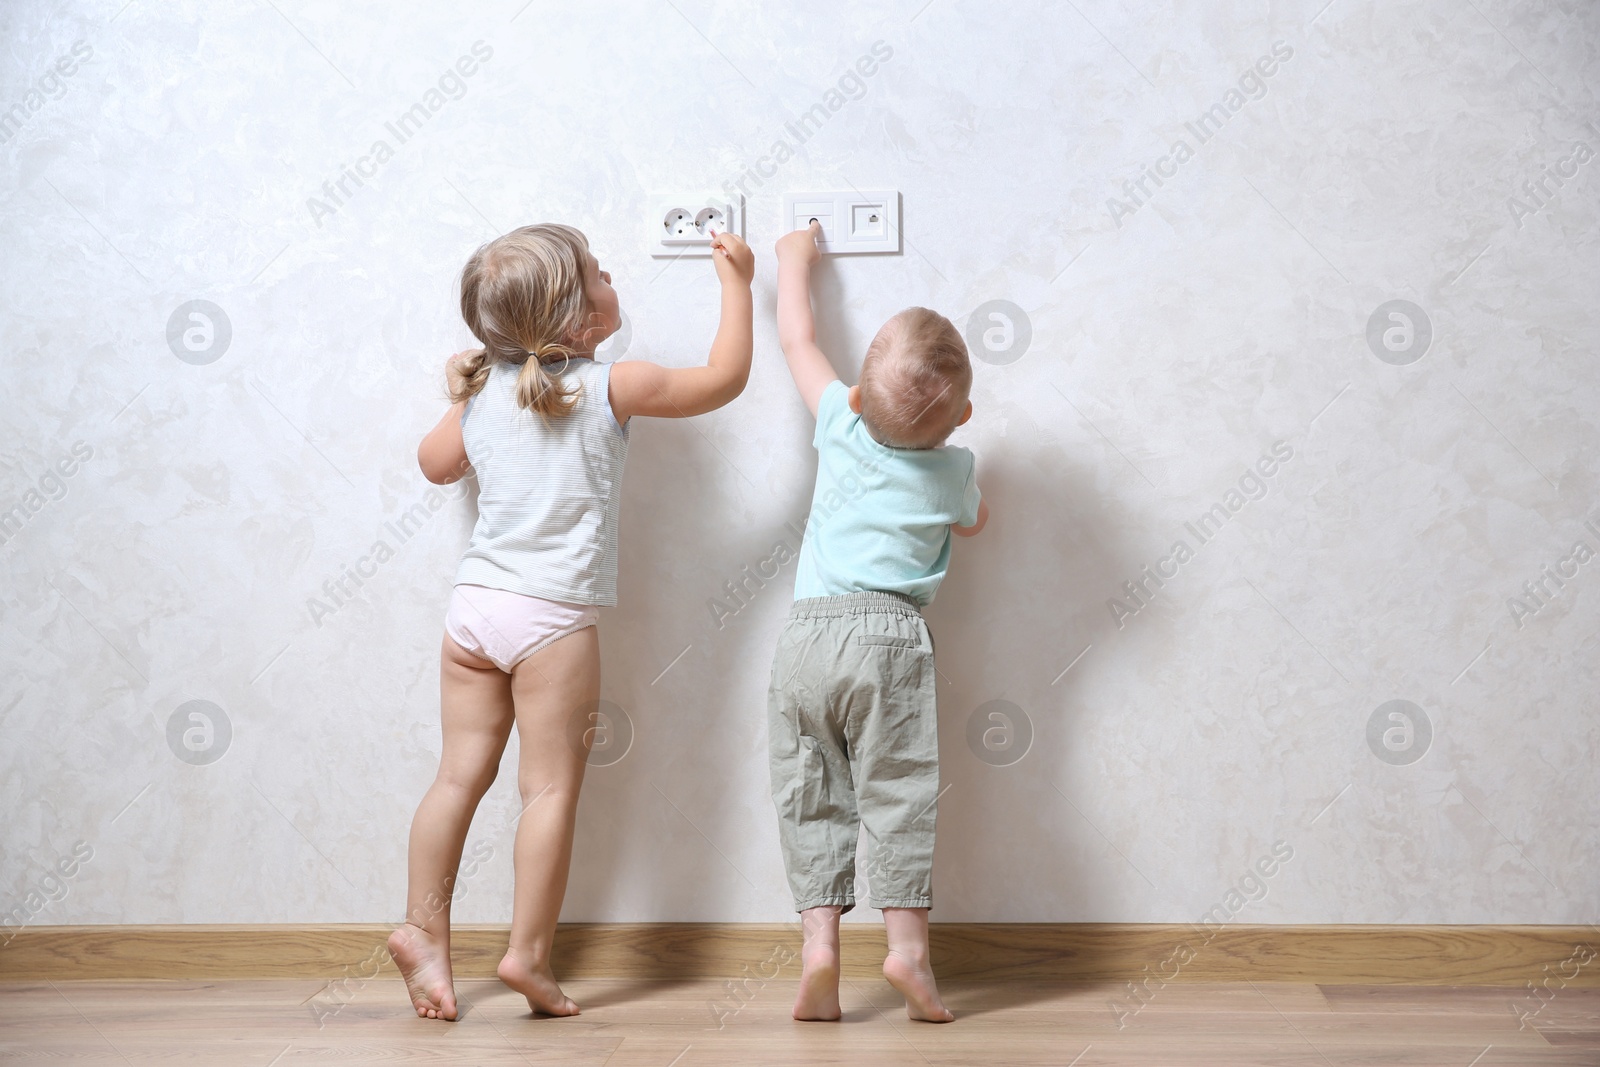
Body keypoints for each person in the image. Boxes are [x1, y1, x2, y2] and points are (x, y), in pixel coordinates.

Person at [392, 222, 755, 1020]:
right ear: (573, 319)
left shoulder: (483, 395)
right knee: (549, 789)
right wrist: (737, 282)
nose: (610, 272)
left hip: (473, 614)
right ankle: (526, 954)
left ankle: (423, 930)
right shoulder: (614, 386)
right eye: (596, 270)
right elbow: (724, 378)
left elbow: (433, 463)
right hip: (550, 619)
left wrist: (461, 394)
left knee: (456, 777)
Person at [767, 221, 988, 1023]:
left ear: (857, 399)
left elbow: (798, 336)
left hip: (806, 636)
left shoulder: (840, 423)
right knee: (896, 794)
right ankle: (907, 954)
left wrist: (795, 258)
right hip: (890, 639)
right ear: (963, 417)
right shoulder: (956, 469)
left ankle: (819, 945)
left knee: (809, 791)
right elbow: (974, 521)